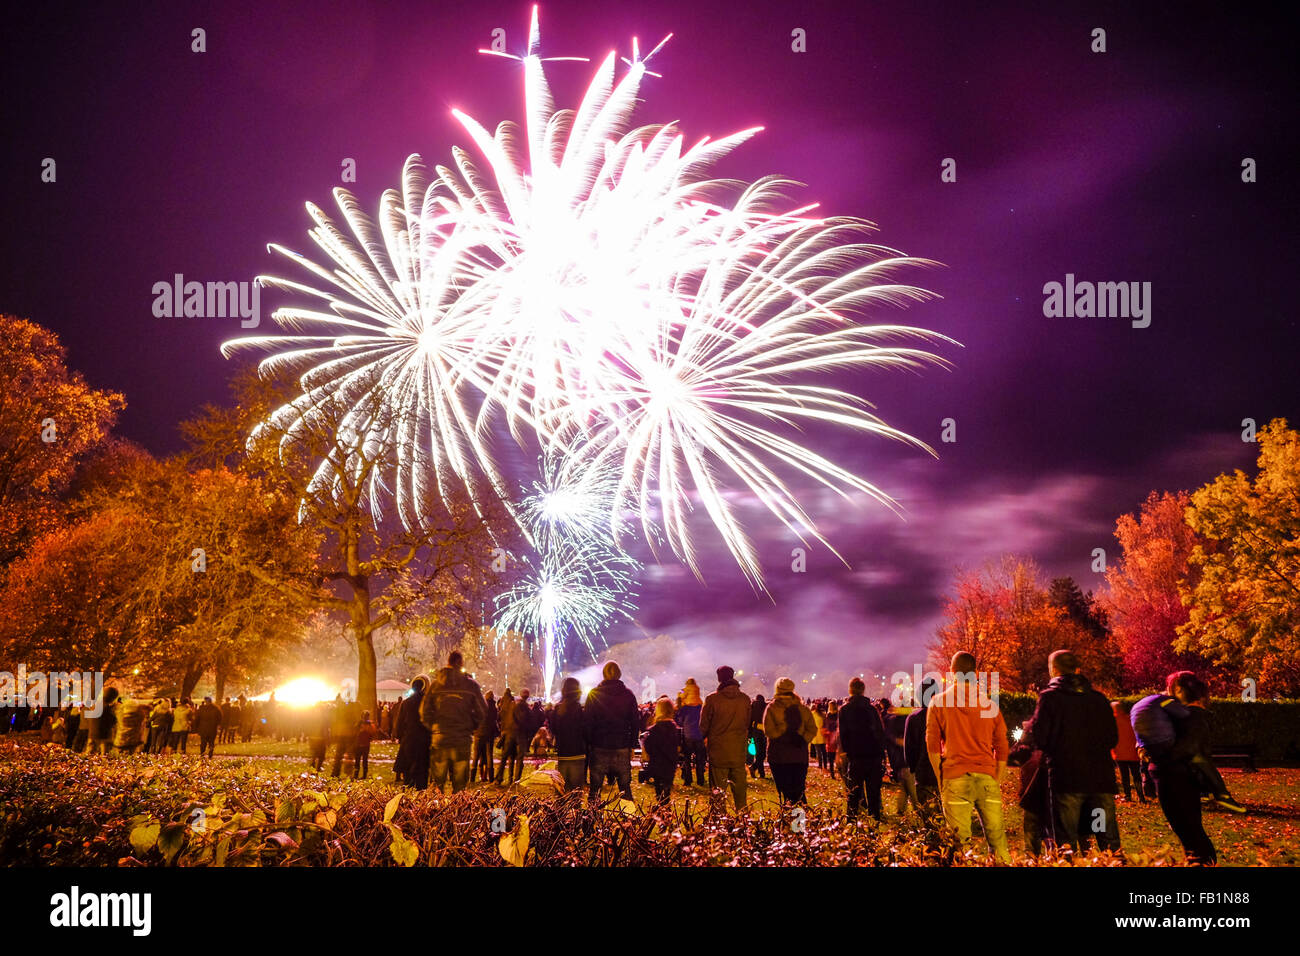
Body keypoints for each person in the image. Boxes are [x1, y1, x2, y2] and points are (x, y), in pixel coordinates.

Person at [1027, 650, 1121, 853]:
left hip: (1066, 778)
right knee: (1107, 838)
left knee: (1067, 840)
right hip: (1100, 779)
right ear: (1077, 669)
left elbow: (1040, 738)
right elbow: (1112, 738)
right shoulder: (1099, 699)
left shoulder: (1049, 698)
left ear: (1053, 669)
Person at [925, 653, 1010, 862]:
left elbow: (932, 746)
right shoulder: (989, 704)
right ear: (976, 674)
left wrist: (940, 777)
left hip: (955, 777)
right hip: (986, 777)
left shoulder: (938, 702)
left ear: (952, 673)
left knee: (959, 844)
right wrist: (996, 777)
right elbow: (1002, 745)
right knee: (998, 842)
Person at [1133, 672, 1219, 864]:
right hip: (1177, 775)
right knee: (1187, 828)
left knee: (1188, 828)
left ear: (1178, 690)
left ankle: (1202, 861)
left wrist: (1156, 757)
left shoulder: (1190, 716)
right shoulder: (1181, 713)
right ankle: (1197, 860)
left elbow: (1185, 747)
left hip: (1177, 776)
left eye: (1169, 687)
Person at [420, 651, 486, 794]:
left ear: (448, 663)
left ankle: (435, 813)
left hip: (440, 738)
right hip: (462, 738)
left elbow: (424, 711)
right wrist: (470, 726)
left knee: (437, 785)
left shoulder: (436, 686)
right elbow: (482, 711)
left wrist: (434, 727)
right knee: (460, 786)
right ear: (460, 663)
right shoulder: (471, 686)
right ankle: (457, 813)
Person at [583, 661, 639, 801]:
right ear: (619, 674)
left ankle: (591, 818)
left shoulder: (594, 694)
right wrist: (632, 744)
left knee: (595, 788)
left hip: (599, 745)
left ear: (604, 674)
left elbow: (588, 722)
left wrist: (589, 743)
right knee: (625, 788)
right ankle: (629, 819)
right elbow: (635, 722)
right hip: (621, 745)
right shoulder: (628, 695)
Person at [700, 666, 752, 811]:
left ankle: (718, 825)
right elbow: (747, 723)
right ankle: (743, 822)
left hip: (718, 752)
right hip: (738, 751)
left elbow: (703, 726)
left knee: (718, 794)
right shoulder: (745, 699)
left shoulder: (712, 699)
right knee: (740, 794)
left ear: (719, 678)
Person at [838, 677, 888, 821]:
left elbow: (843, 734)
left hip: (855, 757)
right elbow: (879, 732)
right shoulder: (872, 709)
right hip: (873, 756)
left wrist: (845, 753)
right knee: (873, 794)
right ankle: (874, 823)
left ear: (850, 690)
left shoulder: (845, 710)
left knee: (853, 794)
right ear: (863, 690)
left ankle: (851, 823)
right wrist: (881, 753)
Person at [763, 678, 817, 804]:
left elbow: (769, 731)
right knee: (799, 791)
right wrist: (803, 739)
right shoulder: (803, 708)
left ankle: (788, 820)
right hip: (799, 755)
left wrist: (782, 732)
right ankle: (800, 821)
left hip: (779, 756)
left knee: (785, 792)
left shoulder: (772, 708)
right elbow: (812, 729)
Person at [903, 678, 939, 810]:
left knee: (926, 811)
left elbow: (909, 748)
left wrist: (912, 767)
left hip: (922, 771)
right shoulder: (944, 715)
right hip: (942, 771)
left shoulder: (913, 718)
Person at [550, 678, 588, 792]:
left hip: (563, 754)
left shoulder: (557, 710)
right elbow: (585, 731)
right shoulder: (581, 710)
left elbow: (554, 730)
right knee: (576, 793)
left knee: (562, 793)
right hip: (578, 754)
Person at [643, 697, 681, 806]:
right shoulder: (675, 729)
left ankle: (662, 809)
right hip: (670, 764)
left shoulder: (653, 730)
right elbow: (678, 747)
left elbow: (649, 747)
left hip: (657, 763)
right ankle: (665, 808)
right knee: (667, 789)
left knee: (659, 790)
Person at [395, 676, 431, 789]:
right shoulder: (428, 702)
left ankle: (408, 788)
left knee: (408, 767)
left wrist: (399, 736)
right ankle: (421, 790)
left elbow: (400, 722)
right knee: (422, 768)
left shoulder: (406, 703)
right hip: (424, 739)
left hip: (409, 738)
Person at [1111, 700, 1144, 803]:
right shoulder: (1131, 718)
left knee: (1124, 776)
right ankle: (1140, 796)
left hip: (1120, 754)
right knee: (1136, 775)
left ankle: (1128, 795)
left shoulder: (1113, 721)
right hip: (1133, 753)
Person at [675, 679, 707, 787]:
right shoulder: (701, 706)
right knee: (699, 759)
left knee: (687, 759)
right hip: (699, 735)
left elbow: (679, 720)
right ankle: (700, 780)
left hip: (688, 734)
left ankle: (688, 780)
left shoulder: (685, 707)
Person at [330, 696, 362, 777]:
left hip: (342, 734)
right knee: (349, 756)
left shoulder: (341, 712)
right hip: (350, 735)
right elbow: (357, 723)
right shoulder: (353, 713)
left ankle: (335, 773)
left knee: (339, 755)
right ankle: (348, 774)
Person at [472, 690, 499, 783]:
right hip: (489, 734)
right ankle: (491, 777)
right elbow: (495, 720)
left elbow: (475, 718)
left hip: (479, 733)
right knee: (489, 755)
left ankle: (472, 777)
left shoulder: (480, 706)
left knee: (476, 755)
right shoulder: (494, 708)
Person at [353, 711, 378, 779]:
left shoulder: (369, 724)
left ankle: (362, 775)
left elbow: (372, 733)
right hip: (361, 744)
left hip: (364, 744)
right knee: (359, 760)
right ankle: (357, 774)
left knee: (362, 760)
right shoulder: (360, 724)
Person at [748, 693, 768, 779]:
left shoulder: (752, 707)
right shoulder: (765, 706)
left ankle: (756, 769)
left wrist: (749, 734)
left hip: (755, 732)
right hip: (764, 732)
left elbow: (749, 720)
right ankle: (759, 771)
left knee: (759, 753)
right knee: (762, 754)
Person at [823, 700, 840, 780]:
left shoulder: (828, 716)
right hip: (838, 737)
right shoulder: (839, 715)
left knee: (830, 757)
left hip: (830, 738)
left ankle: (832, 773)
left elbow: (825, 728)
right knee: (839, 756)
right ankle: (841, 772)